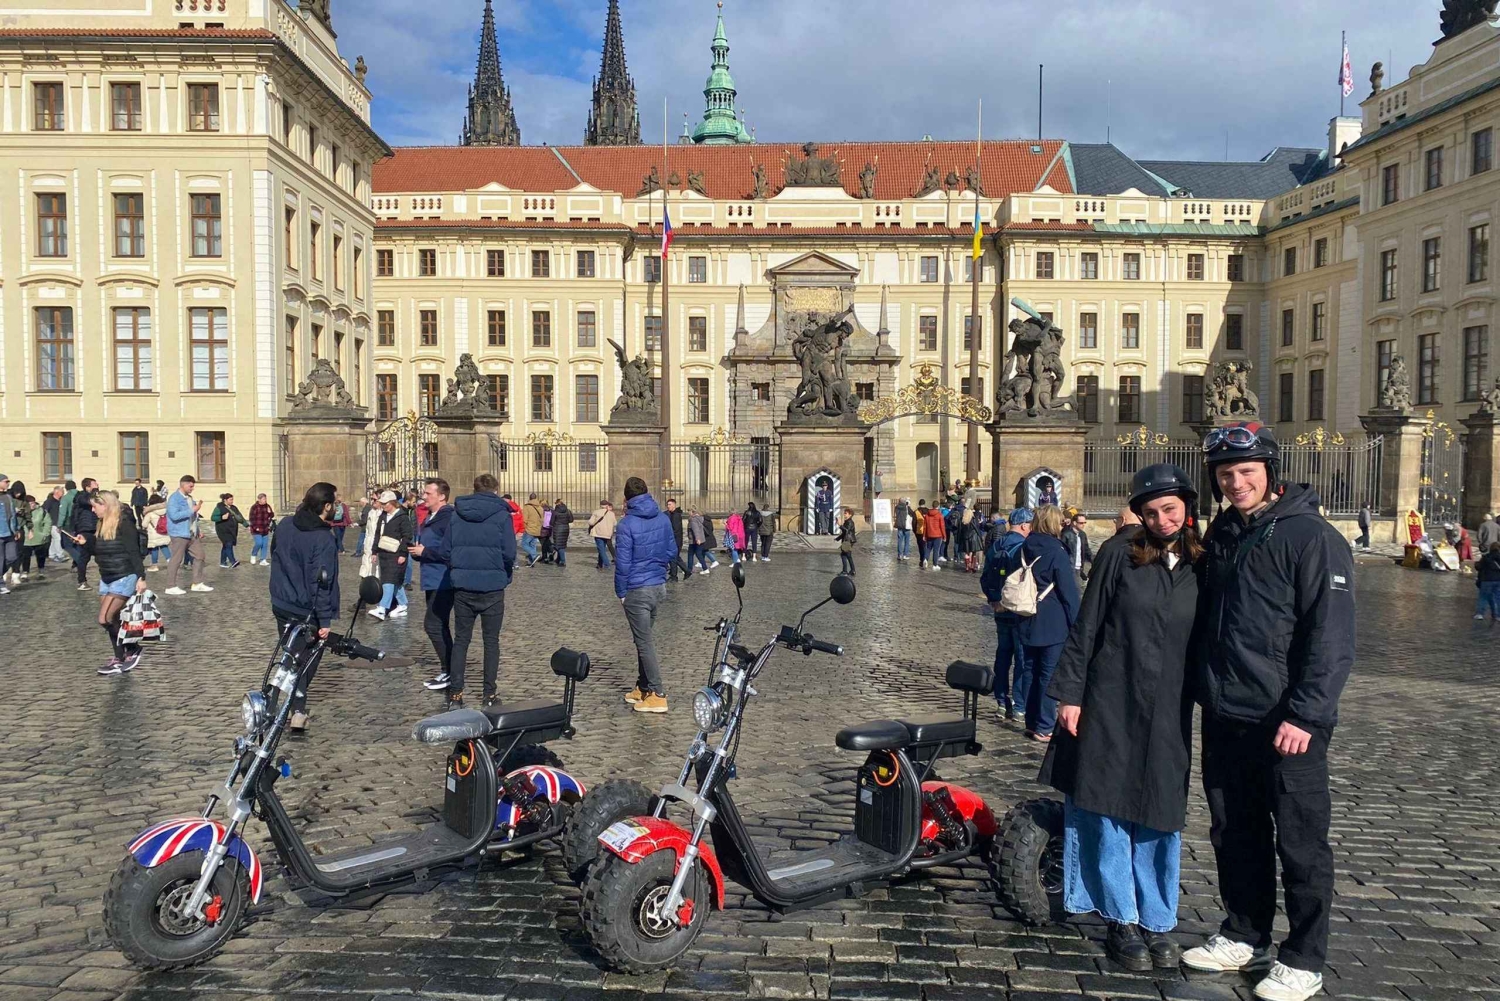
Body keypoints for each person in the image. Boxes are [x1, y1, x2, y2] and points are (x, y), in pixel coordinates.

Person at [1182, 422, 1355, 1001]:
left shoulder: (1312, 537)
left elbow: (1330, 639)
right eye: (1226, 474)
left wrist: (1306, 715)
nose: (1236, 482)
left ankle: (1304, 956)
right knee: (1236, 832)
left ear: (1270, 474)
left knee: (1301, 843)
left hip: (1287, 722)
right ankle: (1244, 931)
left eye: (1246, 472)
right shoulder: (1225, 531)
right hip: (1228, 712)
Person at [1040, 464, 1201, 971]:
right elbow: (1087, 626)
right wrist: (1069, 695)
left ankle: (1157, 917)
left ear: (1187, 508)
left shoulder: (1205, 562)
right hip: (1110, 696)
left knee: (1159, 809)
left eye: (1170, 509)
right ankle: (1120, 915)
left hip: (1171, 704)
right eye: (1152, 511)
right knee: (1105, 802)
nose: (1162, 519)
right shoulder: (1119, 554)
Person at [269, 482, 342, 732]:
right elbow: (321, 581)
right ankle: (295, 709)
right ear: (326, 506)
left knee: (291, 656)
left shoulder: (286, 524)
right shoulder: (323, 538)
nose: (338, 506)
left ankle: (279, 700)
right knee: (305, 662)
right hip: (306, 609)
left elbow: (274, 553)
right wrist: (325, 620)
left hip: (281, 602)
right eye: (336, 502)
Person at [440, 475, 517, 708]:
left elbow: (445, 550)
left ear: (474, 490)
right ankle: (489, 694)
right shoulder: (502, 516)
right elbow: (510, 553)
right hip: (492, 587)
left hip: (463, 586)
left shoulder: (456, 513)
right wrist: (503, 573)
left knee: (462, 641)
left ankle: (455, 694)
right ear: (495, 490)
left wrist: (458, 569)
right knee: (491, 642)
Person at [1015, 505, 1081, 742]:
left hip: (1027, 615)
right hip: (1052, 620)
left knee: (1029, 671)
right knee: (1047, 674)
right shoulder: (1057, 551)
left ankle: (1031, 721)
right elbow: (1068, 592)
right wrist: (1078, 623)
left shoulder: (1025, 546)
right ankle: (1044, 725)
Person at [615, 476, 679, 714]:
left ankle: (658, 693)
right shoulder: (662, 518)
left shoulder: (626, 525)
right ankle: (642, 687)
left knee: (644, 642)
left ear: (626, 498)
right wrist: (656, 562)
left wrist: (621, 592)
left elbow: (622, 563)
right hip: (657, 586)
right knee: (642, 640)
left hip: (637, 589)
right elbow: (672, 550)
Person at [72, 491, 148, 675]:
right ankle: (119, 657)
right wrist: (85, 543)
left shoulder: (124, 523)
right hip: (106, 576)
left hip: (124, 575)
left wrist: (141, 577)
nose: (92, 510)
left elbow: (133, 551)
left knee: (104, 618)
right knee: (113, 619)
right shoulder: (101, 524)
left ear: (106, 505)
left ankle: (133, 648)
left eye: (95, 506)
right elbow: (99, 550)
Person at [981, 508, 1032, 721]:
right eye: (1030, 526)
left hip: (999, 609)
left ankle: (1002, 702)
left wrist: (994, 599)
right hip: (1017, 610)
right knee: (1022, 659)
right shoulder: (1023, 547)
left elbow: (985, 577)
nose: (1031, 529)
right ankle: (1020, 705)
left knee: (1003, 656)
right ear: (1023, 526)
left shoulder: (996, 545)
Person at [407, 479, 457, 692]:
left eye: (428, 493)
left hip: (443, 581)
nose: (424, 496)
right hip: (432, 579)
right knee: (439, 625)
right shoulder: (431, 517)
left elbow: (449, 552)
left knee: (433, 625)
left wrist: (424, 553)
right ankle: (450, 670)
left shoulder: (447, 518)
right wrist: (419, 553)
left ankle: (451, 671)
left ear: (442, 496)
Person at [164, 475, 212, 595]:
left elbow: (193, 517)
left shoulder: (190, 498)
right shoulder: (174, 499)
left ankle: (197, 583)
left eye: (193, 486)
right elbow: (174, 515)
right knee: (176, 559)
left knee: (200, 555)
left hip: (191, 534)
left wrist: (198, 529)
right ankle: (170, 586)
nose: (192, 488)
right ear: (183, 484)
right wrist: (193, 510)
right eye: (190, 486)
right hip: (179, 533)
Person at [368, 490, 411, 620]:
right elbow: (377, 534)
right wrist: (374, 551)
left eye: (385, 503)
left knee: (388, 581)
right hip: (383, 552)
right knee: (394, 580)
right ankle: (403, 605)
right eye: (381, 503)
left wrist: (403, 553)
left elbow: (407, 536)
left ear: (392, 503)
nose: (382, 506)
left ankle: (382, 608)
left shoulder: (403, 517)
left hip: (397, 553)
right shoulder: (383, 516)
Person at [67, 478, 102, 592]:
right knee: (85, 556)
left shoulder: (94, 495)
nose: (97, 485)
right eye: (94, 484)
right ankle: (82, 581)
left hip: (96, 528)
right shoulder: (81, 496)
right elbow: (88, 501)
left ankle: (105, 579)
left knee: (101, 553)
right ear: (87, 487)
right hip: (85, 529)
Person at [211, 493, 249, 568]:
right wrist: (222, 517)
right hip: (223, 530)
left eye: (232, 499)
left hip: (232, 530)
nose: (232, 501)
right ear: (225, 500)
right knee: (228, 544)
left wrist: (246, 525)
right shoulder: (219, 508)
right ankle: (233, 561)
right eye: (230, 499)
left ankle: (223, 562)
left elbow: (239, 517)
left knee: (225, 545)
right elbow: (213, 518)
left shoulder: (234, 508)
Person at [20, 496, 52, 579]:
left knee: (41, 555)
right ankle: (25, 571)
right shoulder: (21, 512)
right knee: (25, 556)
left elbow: (48, 522)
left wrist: (44, 534)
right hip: (26, 538)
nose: (32, 505)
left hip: (39, 538)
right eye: (30, 503)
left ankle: (41, 570)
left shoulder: (41, 511)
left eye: (33, 503)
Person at [1060, 510, 1095, 582]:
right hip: (1070, 567)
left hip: (1079, 567)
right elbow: (1062, 551)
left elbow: (1086, 550)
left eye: (1084, 523)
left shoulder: (1082, 534)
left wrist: (1094, 561)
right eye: (1081, 523)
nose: (1083, 525)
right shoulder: (1066, 535)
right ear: (1075, 523)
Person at [141, 493, 170, 572]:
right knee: (164, 547)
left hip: (154, 534)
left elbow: (144, 524)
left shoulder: (149, 513)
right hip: (164, 532)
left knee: (154, 549)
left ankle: (154, 565)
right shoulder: (166, 511)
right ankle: (171, 562)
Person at [588, 499, 617, 570]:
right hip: (608, 533)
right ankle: (600, 564)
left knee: (601, 550)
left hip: (599, 533)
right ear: (607, 505)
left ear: (601, 505)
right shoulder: (611, 513)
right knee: (602, 549)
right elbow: (615, 523)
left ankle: (607, 564)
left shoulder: (596, 512)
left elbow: (591, 522)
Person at [248, 494, 276, 566]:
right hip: (256, 529)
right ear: (259, 499)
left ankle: (263, 559)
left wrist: (270, 512)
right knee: (259, 543)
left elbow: (272, 515)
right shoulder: (254, 507)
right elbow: (251, 518)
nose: (265, 500)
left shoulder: (267, 506)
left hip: (265, 528)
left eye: (265, 499)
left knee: (265, 545)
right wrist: (255, 527)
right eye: (263, 499)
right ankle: (253, 555)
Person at [1477, 542, 1500, 622]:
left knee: (1483, 597)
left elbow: (1479, 567)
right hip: (1498, 580)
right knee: (1498, 598)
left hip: (1487, 579)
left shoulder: (1487, 557)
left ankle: (1480, 614)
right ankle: (1497, 615)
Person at [520, 493, 544, 567]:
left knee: (524, 544)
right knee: (532, 545)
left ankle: (534, 555)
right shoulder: (540, 507)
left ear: (529, 498)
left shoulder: (527, 507)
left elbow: (524, 519)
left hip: (529, 529)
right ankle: (532, 562)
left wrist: (525, 528)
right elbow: (542, 519)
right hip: (537, 529)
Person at [44, 485, 65, 564]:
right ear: (56, 492)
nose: (63, 493)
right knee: (57, 538)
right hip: (52, 523)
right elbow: (44, 510)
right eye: (62, 492)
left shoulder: (60, 501)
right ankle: (60, 555)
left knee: (54, 539)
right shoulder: (49, 501)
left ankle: (52, 554)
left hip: (57, 523)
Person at [922, 502, 947, 571]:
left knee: (928, 548)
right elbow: (942, 526)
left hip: (929, 534)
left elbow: (925, 526)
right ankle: (935, 564)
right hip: (938, 535)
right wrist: (944, 536)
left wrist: (924, 535)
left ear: (932, 506)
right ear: (938, 506)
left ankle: (925, 559)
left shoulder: (927, 515)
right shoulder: (939, 515)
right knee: (936, 550)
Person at [550, 498, 573, 568]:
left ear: (556, 504)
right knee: (562, 543)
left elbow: (551, 522)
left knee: (559, 545)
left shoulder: (555, 512)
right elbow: (571, 520)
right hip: (566, 528)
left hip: (557, 529)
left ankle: (563, 561)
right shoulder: (568, 511)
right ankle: (558, 559)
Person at [836, 507, 857, 576]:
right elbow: (844, 533)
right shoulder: (847, 521)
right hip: (848, 540)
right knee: (848, 556)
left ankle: (845, 571)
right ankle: (853, 570)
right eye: (844, 513)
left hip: (848, 541)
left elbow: (846, 531)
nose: (844, 515)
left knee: (843, 555)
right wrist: (838, 538)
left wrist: (839, 525)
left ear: (850, 515)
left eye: (846, 513)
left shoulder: (850, 522)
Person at [893, 497, 914, 562]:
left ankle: (899, 555)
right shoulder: (906, 507)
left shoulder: (896, 507)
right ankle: (905, 555)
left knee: (900, 541)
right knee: (906, 541)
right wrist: (908, 506)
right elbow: (913, 514)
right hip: (906, 526)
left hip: (899, 525)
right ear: (905, 502)